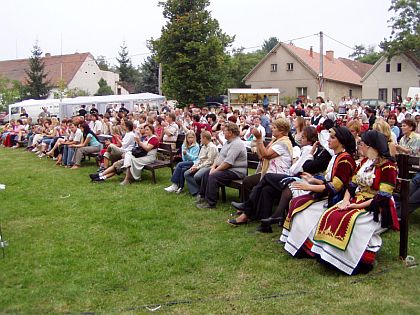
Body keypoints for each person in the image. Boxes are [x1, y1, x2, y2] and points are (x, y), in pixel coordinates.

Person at [311, 131, 399, 275]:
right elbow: (351, 186)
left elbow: (383, 197)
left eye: (362, 144)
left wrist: (355, 206)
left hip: (378, 207)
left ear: (372, 147)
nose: (359, 147)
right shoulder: (365, 162)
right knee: (333, 213)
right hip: (358, 200)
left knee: (353, 221)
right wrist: (345, 201)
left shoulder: (388, 167)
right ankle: (328, 256)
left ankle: (359, 261)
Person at [279, 126, 357, 257]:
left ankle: (306, 247)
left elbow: (335, 187)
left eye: (332, 137)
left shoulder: (345, 160)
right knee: (297, 202)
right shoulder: (337, 157)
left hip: (337, 199)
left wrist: (309, 187)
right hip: (329, 194)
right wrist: (313, 180)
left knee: (304, 211)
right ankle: (299, 243)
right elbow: (328, 181)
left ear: (341, 141)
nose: (328, 140)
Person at [196, 122, 247, 209]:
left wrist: (215, 171)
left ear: (231, 133)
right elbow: (219, 157)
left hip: (236, 171)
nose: (223, 132)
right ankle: (203, 196)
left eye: (225, 131)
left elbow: (228, 163)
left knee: (213, 176)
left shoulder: (237, 143)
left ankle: (211, 203)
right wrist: (212, 168)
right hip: (227, 169)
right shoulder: (228, 142)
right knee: (206, 173)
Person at [184, 131, 219, 196]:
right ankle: (196, 191)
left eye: (201, 138)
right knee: (186, 173)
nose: (200, 140)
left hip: (210, 167)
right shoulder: (203, 146)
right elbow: (199, 159)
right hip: (202, 165)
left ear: (205, 138)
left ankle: (202, 191)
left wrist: (197, 168)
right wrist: (194, 166)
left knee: (197, 176)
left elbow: (209, 162)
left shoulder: (212, 147)